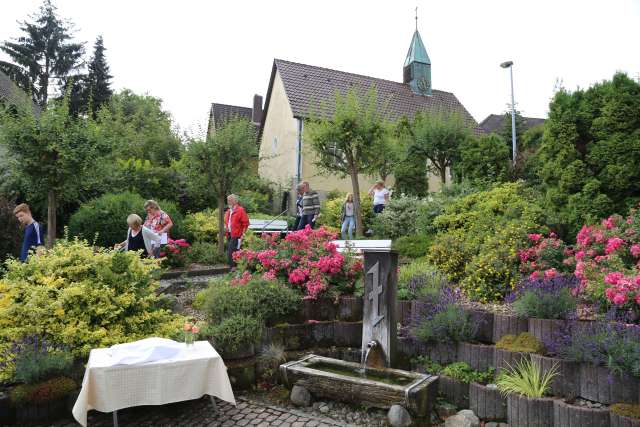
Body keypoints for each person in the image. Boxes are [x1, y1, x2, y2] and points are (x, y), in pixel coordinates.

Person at [224, 194, 250, 268]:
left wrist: (243, 234)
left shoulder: (240, 210)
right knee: (234, 252)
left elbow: (246, 223)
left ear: (235, 201)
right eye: (228, 200)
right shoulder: (229, 211)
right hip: (229, 234)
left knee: (231, 252)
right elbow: (228, 222)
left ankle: (233, 269)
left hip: (237, 236)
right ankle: (236, 269)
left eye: (230, 200)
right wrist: (226, 227)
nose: (228, 202)